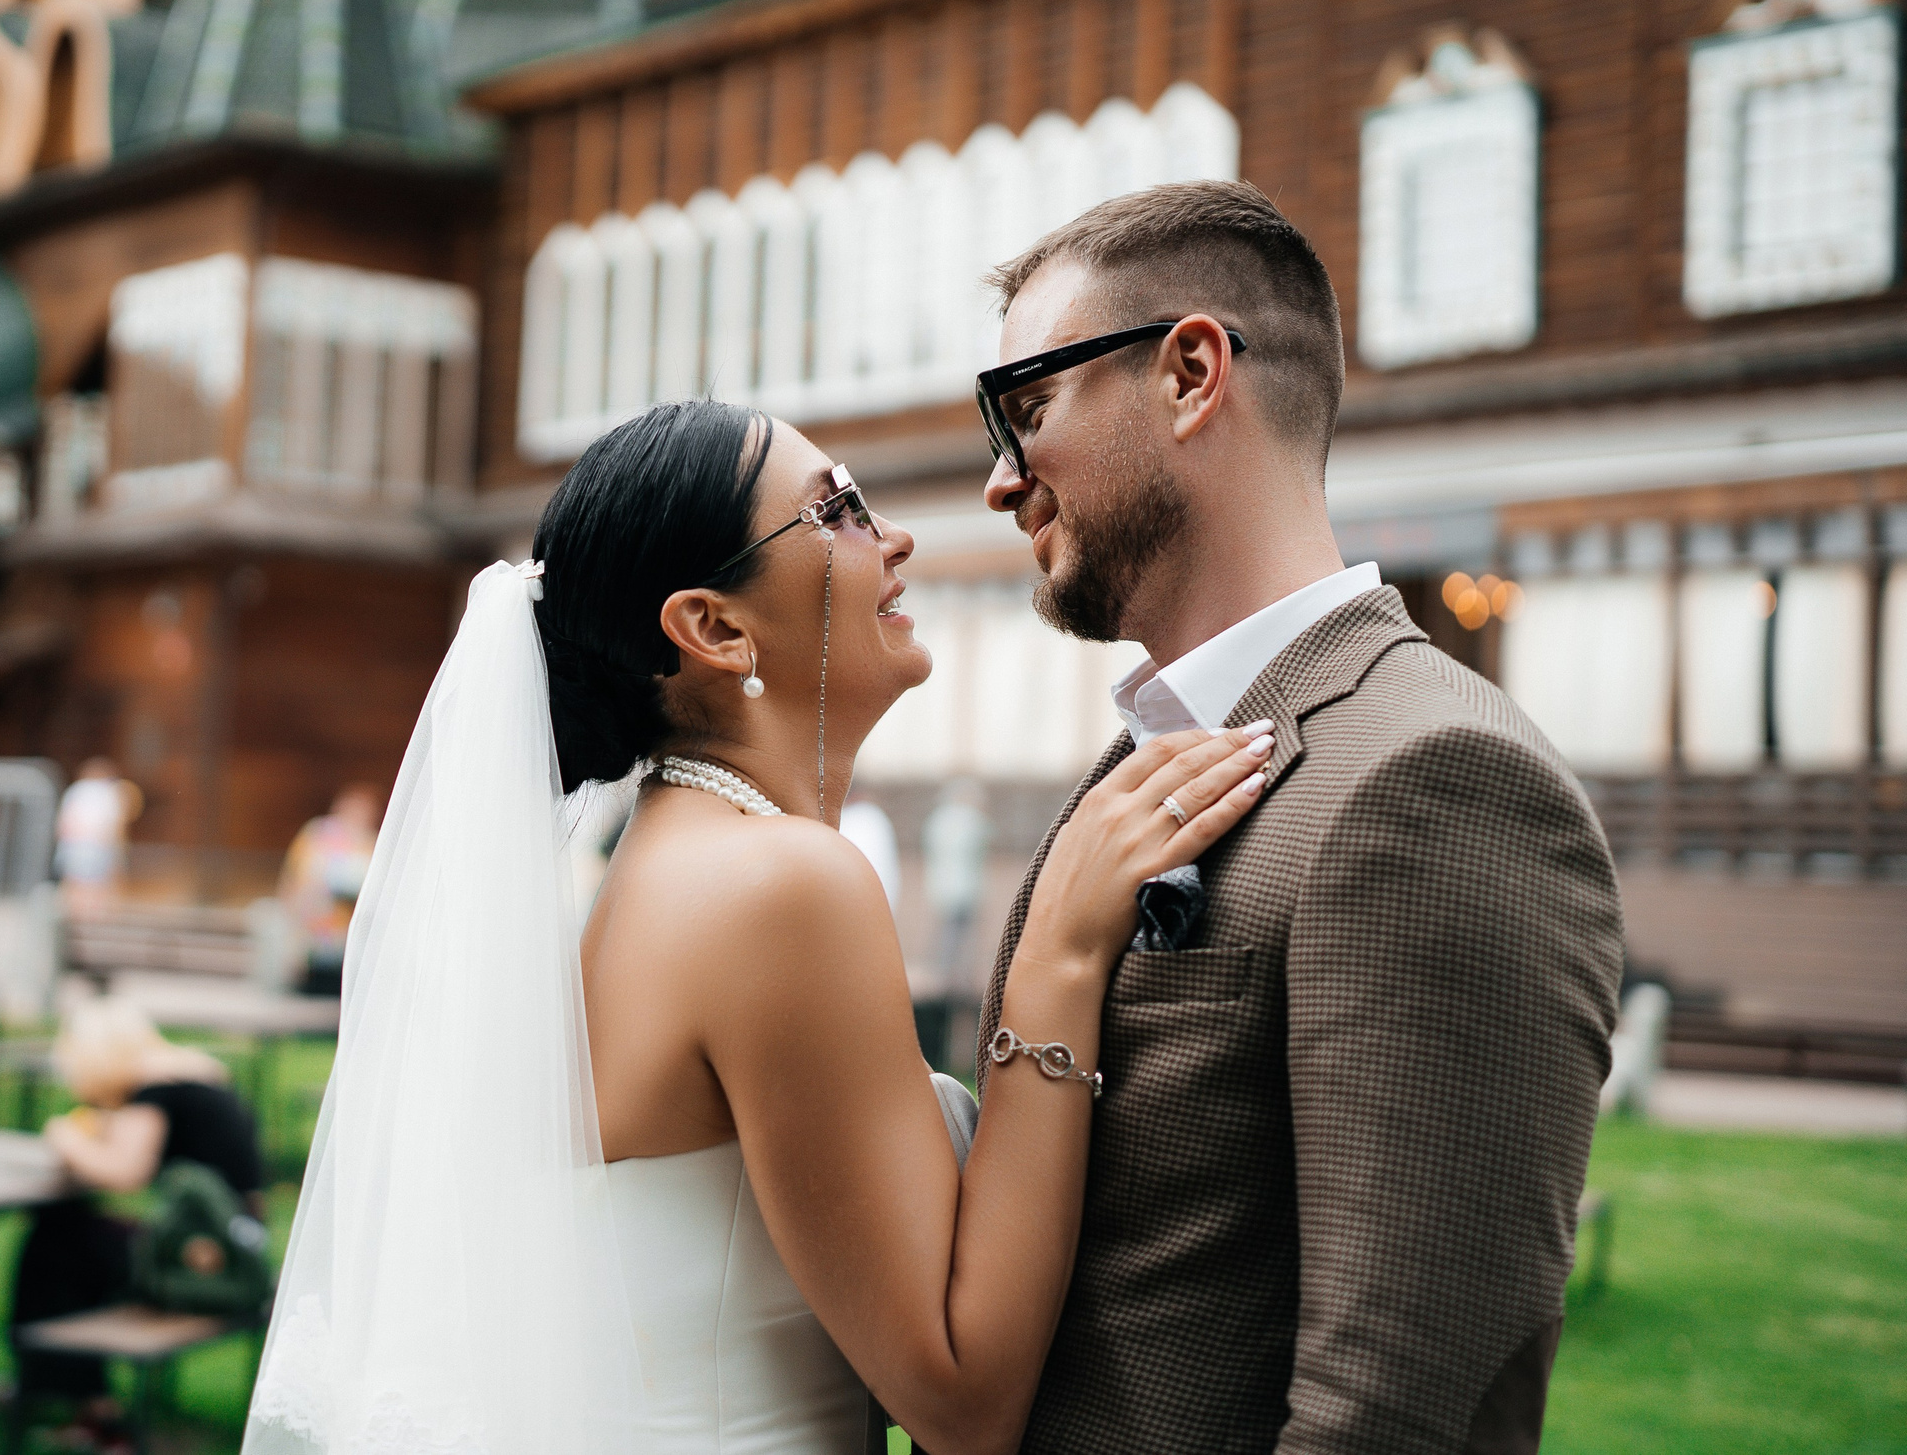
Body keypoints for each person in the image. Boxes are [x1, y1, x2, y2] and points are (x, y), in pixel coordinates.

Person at [244, 400, 1269, 1455]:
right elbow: (963, 1402)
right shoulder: (776, 886)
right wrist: (1057, 953)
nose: (895, 537)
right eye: (838, 510)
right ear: (717, 628)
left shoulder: (659, 868)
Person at [971, 180, 1624, 1453]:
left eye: (1026, 408)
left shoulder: (1436, 778)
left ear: (1190, 373)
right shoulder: (1146, 754)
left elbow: (1396, 1406)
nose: (1001, 481)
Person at [13, 996, 264, 1447]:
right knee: (76, 1239)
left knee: (56, 1243)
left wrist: (65, 1138)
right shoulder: (194, 1074)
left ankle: (83, 1400)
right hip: (239, 1251)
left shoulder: (152, 1090)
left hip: (205, 1265)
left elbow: (125, 1173)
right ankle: (73, 1391)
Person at [274, 785, 378, 995]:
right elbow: (294, 875)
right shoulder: (318, 834)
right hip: (313, 925)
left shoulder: (371, 842)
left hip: (346, 930)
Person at [920, 777, 992, 984]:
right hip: (966, 887)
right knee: (961, 935)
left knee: (947, 931)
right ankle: (957, 978)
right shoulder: (970, 819)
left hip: (941, 886)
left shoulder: (937, 819)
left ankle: (943, 974)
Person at [55, 759, 133, 911]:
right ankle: (92, 917)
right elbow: (114, 824)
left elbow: (62, 823)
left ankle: (73, 917)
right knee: (96, 887)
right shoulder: (107, 792)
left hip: (73, 845)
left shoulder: (75, 790)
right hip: (98, 846)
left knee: (74, 885)